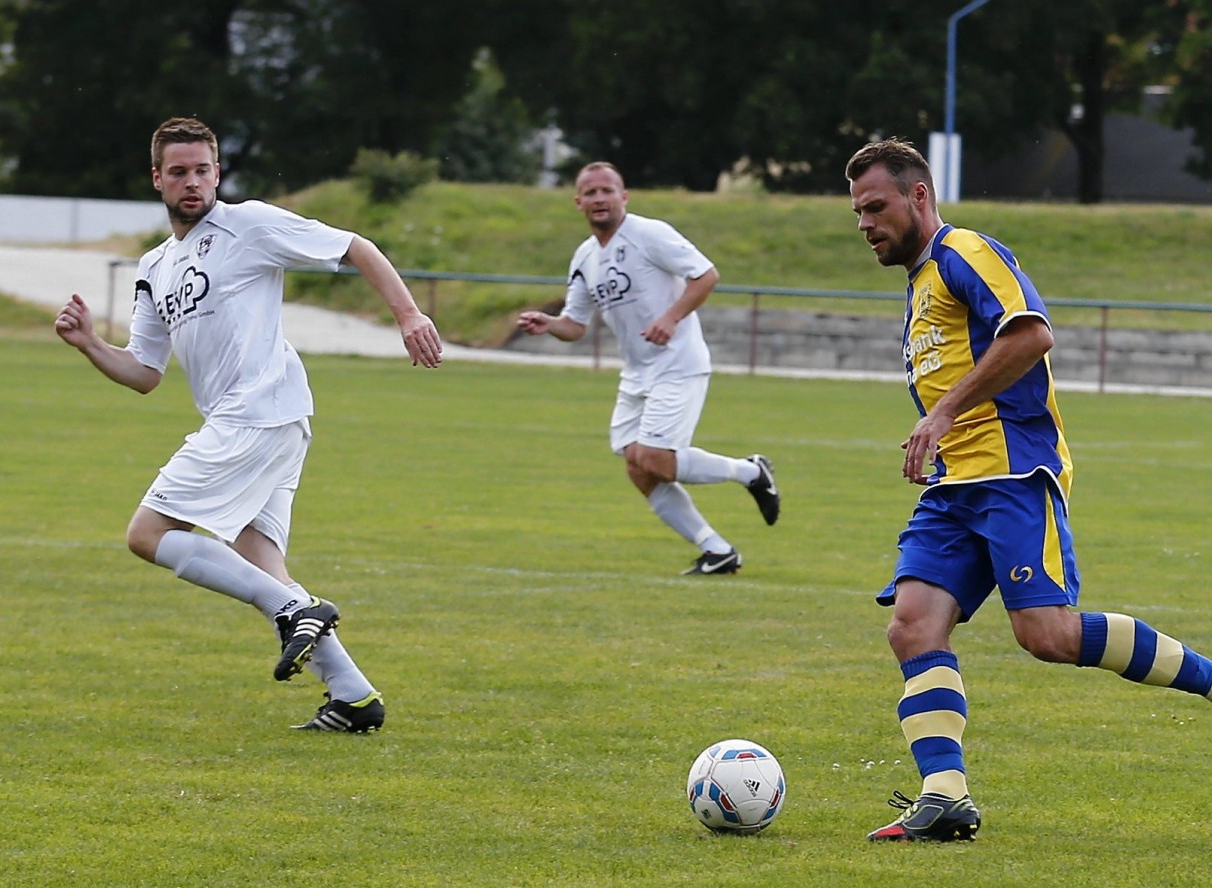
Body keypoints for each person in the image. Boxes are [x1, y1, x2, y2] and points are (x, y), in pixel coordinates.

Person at [844, 139, 1212, 842]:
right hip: (954, 485)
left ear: (918, 196)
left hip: (1014, 473)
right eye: (857, 212)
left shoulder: (966, 252)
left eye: (875, 206)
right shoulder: (921, 280)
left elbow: (1030, 334)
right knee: (912, 624)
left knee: (1046, 634)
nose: (865, 223)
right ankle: (945, 795)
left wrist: (942, 411)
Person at [53, 116, 443, 732]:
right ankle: (355, 698)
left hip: (258, 411)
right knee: (260, 563)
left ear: (217, 173)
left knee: (147, 534)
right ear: (157, 178)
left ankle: (296, 609)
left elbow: (355, 247)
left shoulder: (248, 224)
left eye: (203, 170)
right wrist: (88, 344)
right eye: (178, 172)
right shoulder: (155, 267)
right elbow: (145, 372)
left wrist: (409, 315)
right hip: (260, 421)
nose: (193, 182)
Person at [515, 162, 779, 575]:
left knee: (655, 458)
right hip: (637, 373)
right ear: (578, 202)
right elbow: (575, 326)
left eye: (607, 190)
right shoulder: (585, 257)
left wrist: (671, 318)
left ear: (624, 197)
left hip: (678, 363)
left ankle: (751, 472)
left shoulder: (648, 233)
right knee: (638, 466)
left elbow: (706, 275)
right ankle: (717, 550)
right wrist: (548, 326)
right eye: (591, 192)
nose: (599, 198)